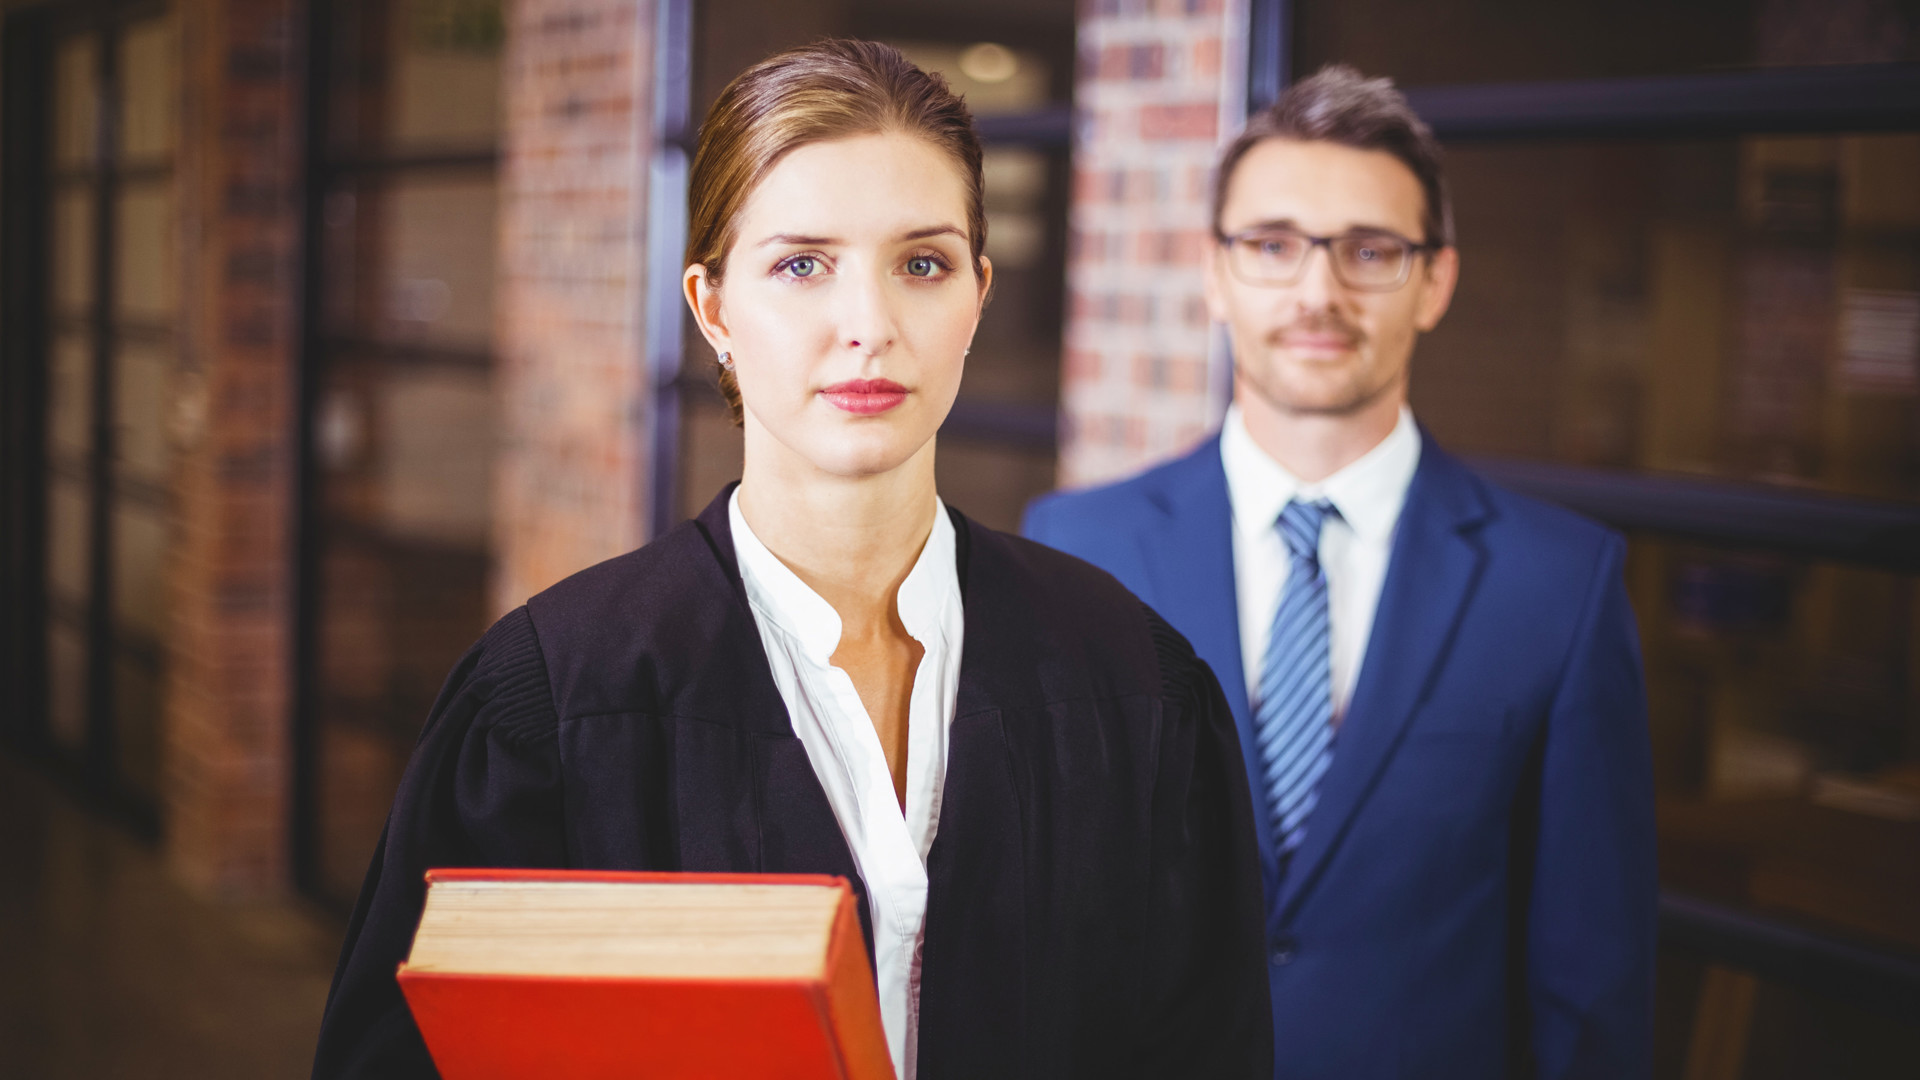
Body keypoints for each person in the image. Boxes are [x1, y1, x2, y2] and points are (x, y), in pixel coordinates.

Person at [311, 39, 1269, 1080]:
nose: (869, 326)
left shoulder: (1129, 681)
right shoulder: (552, 703)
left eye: (922, 263)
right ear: (713, 308)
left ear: (977, 297)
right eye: (800, 265)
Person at [1024, 66, 1656, 1079]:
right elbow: (1036, 922)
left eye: (1370, 250)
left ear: (1435, 280)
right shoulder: (1074, 548)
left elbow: (1593, 981)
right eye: (1273, 246)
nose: (1319, 291)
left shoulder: (1562, 587)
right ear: (1215, 275)